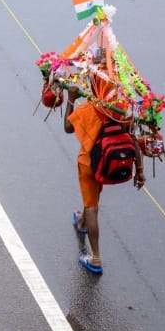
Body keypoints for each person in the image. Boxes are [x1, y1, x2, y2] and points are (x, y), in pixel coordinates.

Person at [64, 51, 145, 274]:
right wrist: (139, 170)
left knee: (92, 207)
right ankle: (81, 221)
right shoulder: (122, 109)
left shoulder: (89, 108)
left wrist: (71, 98)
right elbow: (133, 139)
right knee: (91, 198)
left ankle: (96, 257)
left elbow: (68, 128)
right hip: (109, 163)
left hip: (89, 164)